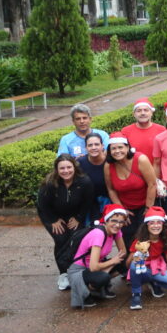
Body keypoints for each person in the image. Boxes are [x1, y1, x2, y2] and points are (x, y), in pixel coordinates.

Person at [38, 154, 98, 291]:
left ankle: (76, 270)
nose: (66, 171)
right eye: (62, 168)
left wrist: (78, 218)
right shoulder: (50, 183)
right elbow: (42, 204)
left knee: (76, 238)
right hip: (52, 216)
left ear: (74, 167)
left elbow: (87, 202)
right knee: (61, 239)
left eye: (69, 167)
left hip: (74, 215)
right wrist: (53, 220)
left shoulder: (84, 182)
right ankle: (63, 273)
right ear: (57, 169)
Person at [125, 207, 167, 311]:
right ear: (147, 225)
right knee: (134, 264)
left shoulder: (165, 239)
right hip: (141, 270)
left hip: (156, 269)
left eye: (159, 222)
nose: (156, 226)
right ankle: (136, 294)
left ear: (163, 225)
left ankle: (154, 283)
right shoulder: (139, 240)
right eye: (152, 223)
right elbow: (128, 264)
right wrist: (137, 254)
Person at [66, 204, 128, 309]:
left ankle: (99, 285)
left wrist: (110, 266)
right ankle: (90, 289)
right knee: (103, 277)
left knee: (126, 261)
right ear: (106, 220)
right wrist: (112, 262)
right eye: (114, 221)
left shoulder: (116, 230)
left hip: (95, 266)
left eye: (121, 222)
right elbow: (93, 267)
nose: (117, 225)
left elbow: (123, 253)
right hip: (79, 270)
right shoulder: (98, 234)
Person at [104, 136, 157, 249]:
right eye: (113, 148)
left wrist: (148, 208)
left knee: (146, 238)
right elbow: (111, 189)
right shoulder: (108, 166)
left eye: (120, 147)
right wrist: (121, 210)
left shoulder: (141, 159)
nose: (117, 151)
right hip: (125, 207)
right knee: (128, 239)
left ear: (127, 147)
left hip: (145, 204)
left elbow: (152, 184)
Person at [121, 98, 165, 163]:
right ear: (134, 114)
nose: (142, 113)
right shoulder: (125, 131)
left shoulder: (161, 130)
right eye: (139, 111)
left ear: (151, 113)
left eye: (146, 110)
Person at [77, 132, 110, 212]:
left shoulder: (110, 161)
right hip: (89, 203)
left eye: (97, 144)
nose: (93, 147)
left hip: (110, 200)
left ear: (102, 146)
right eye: (90, 145)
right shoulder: (80, 163)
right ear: (86, 148)